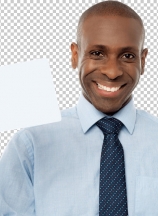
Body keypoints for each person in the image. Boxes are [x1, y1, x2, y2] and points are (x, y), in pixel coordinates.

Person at [0, 1, 158, 215]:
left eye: (127, 56)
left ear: (143, 60)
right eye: (97, 53)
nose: (112, 72)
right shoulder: (32, 144)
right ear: (75, 55)